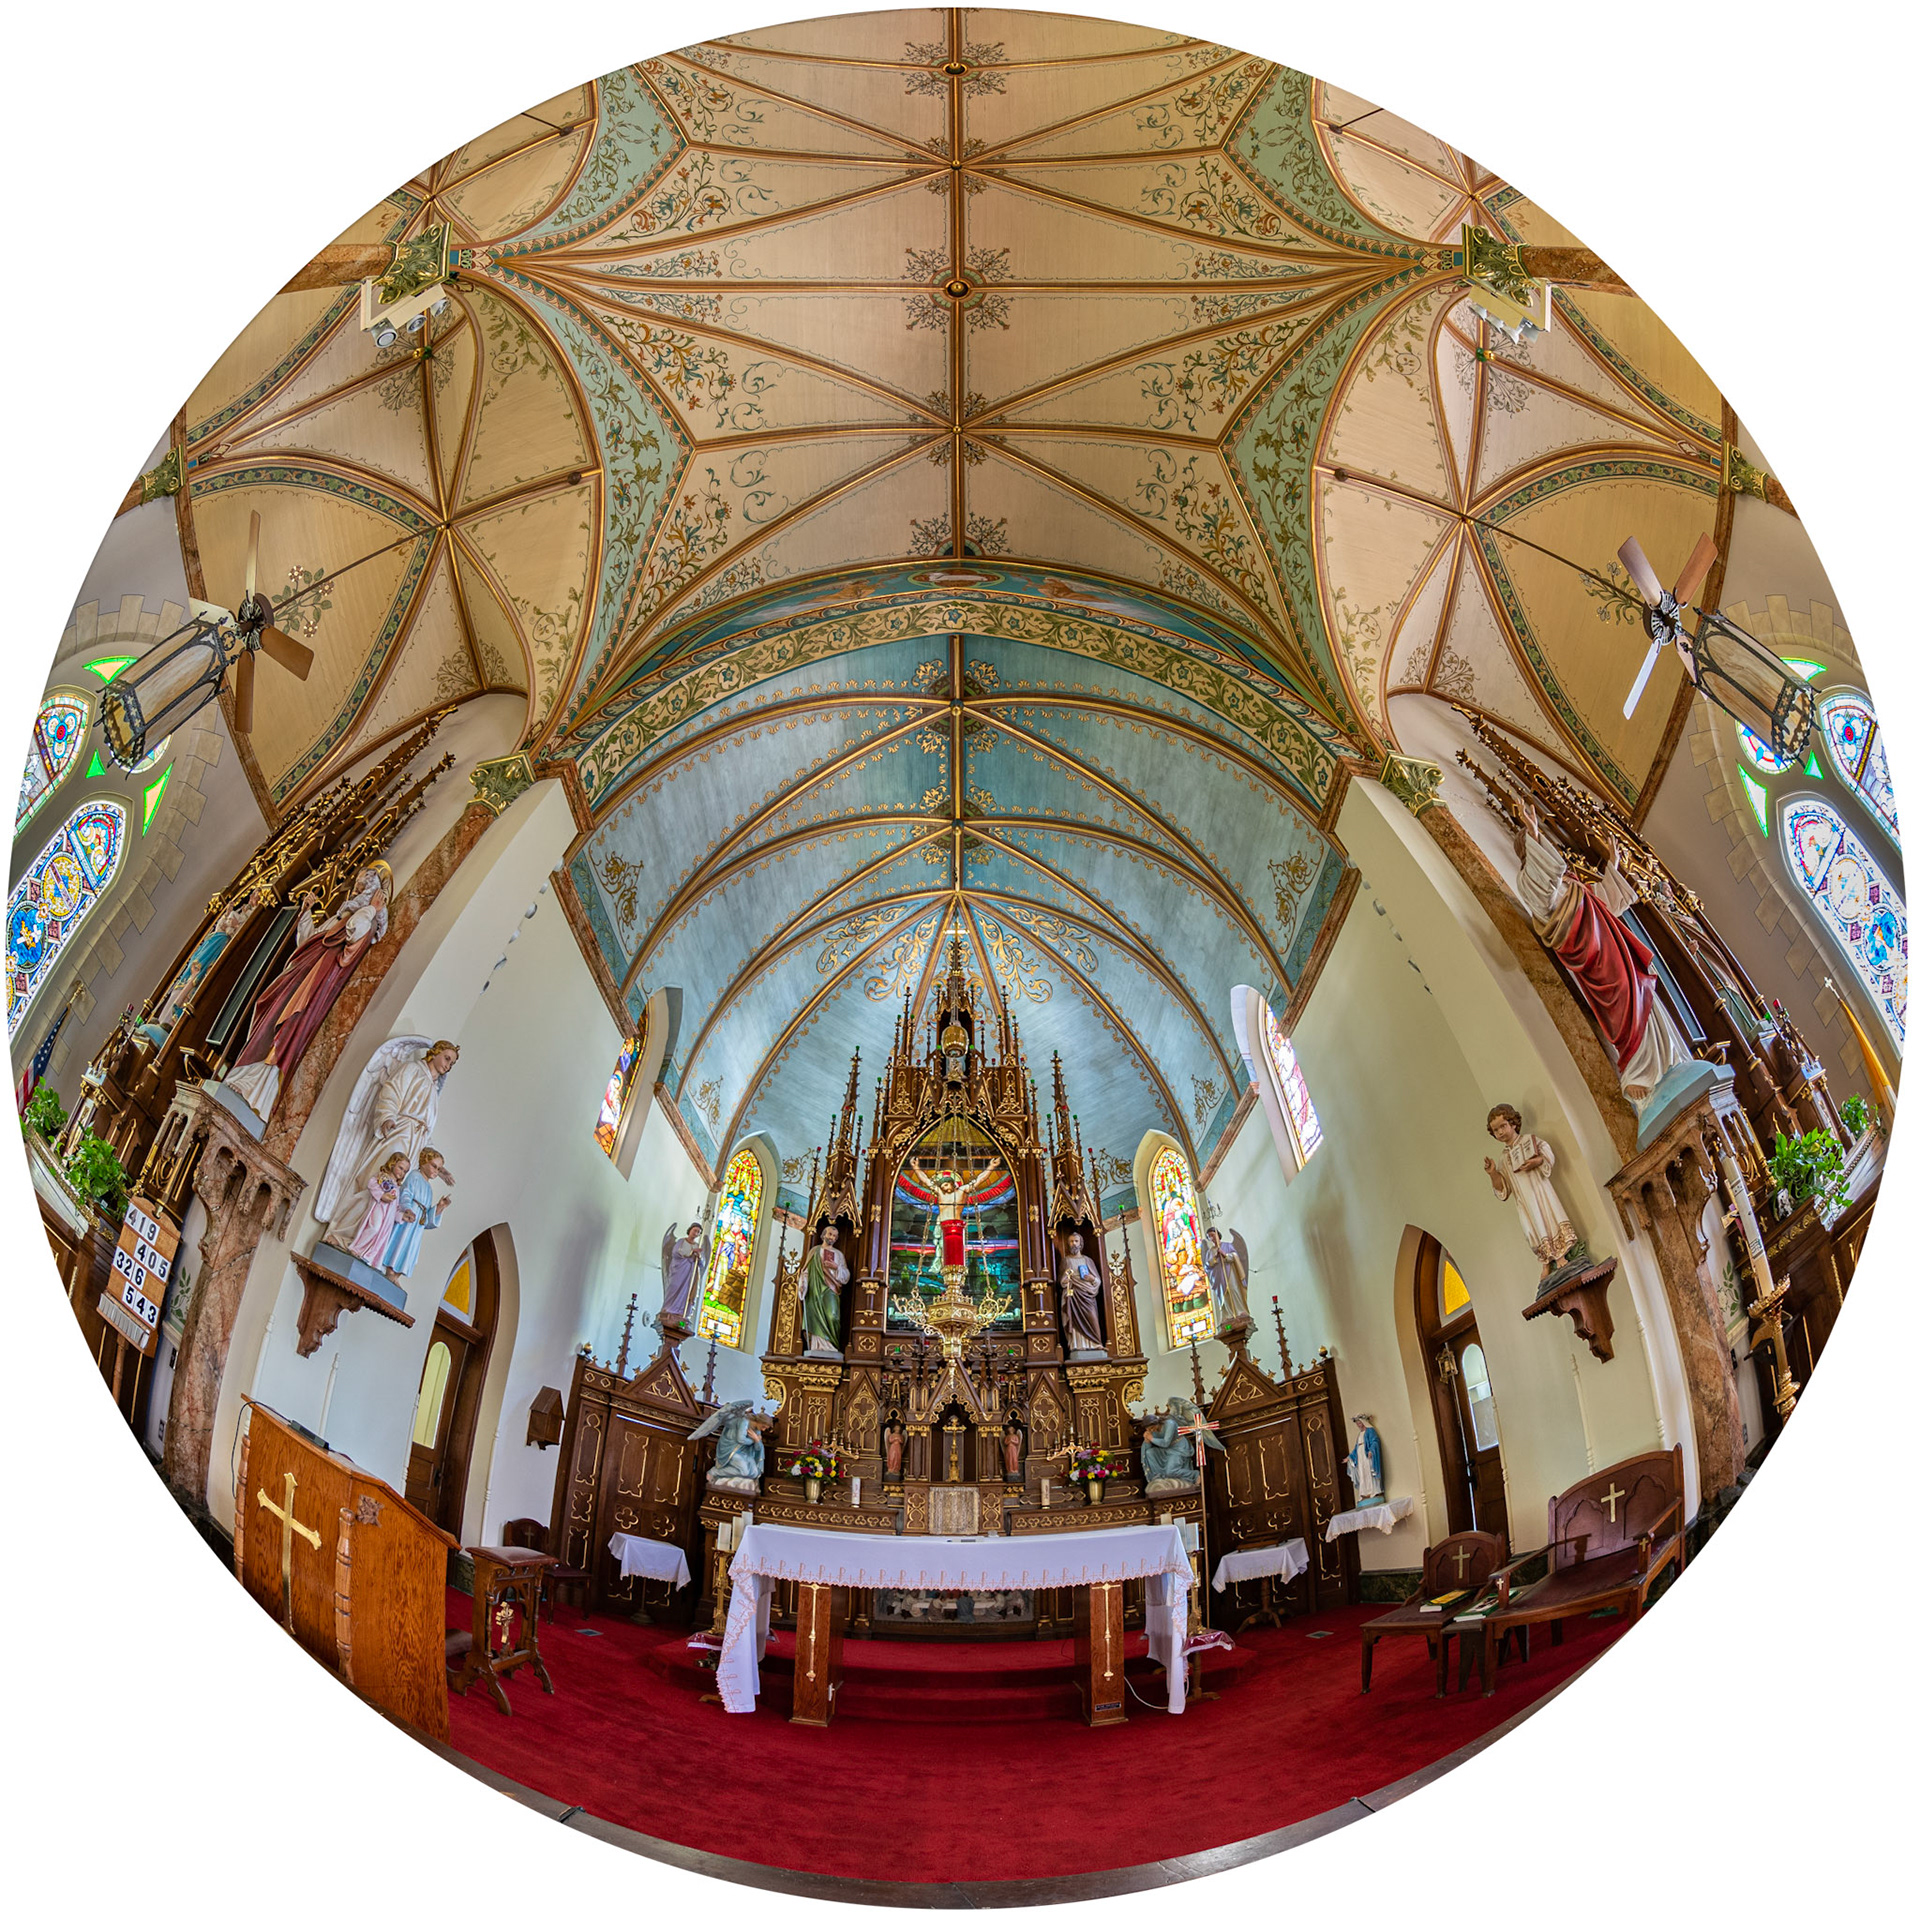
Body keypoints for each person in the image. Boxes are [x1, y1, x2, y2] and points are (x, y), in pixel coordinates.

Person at [1513, 803, 1688, 1113]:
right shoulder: (1531, 882)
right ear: (1530, 850)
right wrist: (1534, 832)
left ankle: (1670, 1060)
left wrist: (1614, 864)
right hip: (1593, 959)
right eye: (1538, 845)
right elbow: (1549, 893)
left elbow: (1605, 903)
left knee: (1644, 996)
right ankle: (1639, 1074)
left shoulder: (1570, 882)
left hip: (1613, 949)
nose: (1550, 851)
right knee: (1623, 1004)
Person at [223, 863, 392, 1122]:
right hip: (303, 971)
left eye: (360, 884)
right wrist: (306, 912)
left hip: (316, 982)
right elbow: (309, 939)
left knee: (289, 1023)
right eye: (356, 882)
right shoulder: (344, 914)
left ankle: (260, 1089)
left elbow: (353, 933)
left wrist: (373, 909)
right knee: (270, 1009)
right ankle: (247, 1069)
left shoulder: (364, 920)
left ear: (370, 890)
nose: (355, 887)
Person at [322, 1040, 461, 1254]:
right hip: (399, 1131)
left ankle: (365, 1246)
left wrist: (438, 1168)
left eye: (452, 1064)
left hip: (415, 1143)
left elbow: (426, 1130)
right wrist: (387, 1117)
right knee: (378, 1179)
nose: (448, 1066)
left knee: (394, 1193)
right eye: (447, 1058)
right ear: (435, 1053)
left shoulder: (434, 1090)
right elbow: (391, 1092)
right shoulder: (412, 1069)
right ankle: (342, 1234)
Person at [1484, 1103, 1581, 1277]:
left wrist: (1538, 1161)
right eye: (1496, 1130)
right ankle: (1545, 1261)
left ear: (1513, 1124)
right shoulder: (1503, 1158)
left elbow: (1547, 1154)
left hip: (1540, 1192)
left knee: (1548, 1218)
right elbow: (1503, 1189)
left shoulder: (1530, 1141)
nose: (1500, 1132)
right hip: (1524, 1201)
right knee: (1531, 1229)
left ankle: (1559, 1256)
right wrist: (1492, 1173)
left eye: (1503, 1126)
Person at [380, 1148, 455, 1282]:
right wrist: (407, 1209)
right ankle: (390, 1271)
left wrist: (439, 1207)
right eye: (434, 1166)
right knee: (400, 1242)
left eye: (439, 1169)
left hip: (416, 1226)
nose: (436, 1171)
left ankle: (396, 1276)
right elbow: (406, 1193)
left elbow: (425, 1218)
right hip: (408, 1220)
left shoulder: (429, 1188)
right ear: (424, 1162)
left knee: (410, 1249)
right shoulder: (415, 1176)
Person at [910, 1153, 997, 1268]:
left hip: (956, 1228)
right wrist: (916, 1167)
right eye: (942, 1186)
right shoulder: (940, 1193)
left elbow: (979, 1180)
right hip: (942, 1227)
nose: (944, 1188)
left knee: (955, 1257)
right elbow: (926, 1181)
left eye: (946, 1185)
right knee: (940, 1252)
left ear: (952, 1183)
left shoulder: (962, 1191)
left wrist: (991, 1167)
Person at [345, 1152, 410, 1271]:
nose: (402, 1172)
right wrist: (382, 1196)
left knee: (381, 1237)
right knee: (374, 1227)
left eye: (405, 1171)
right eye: (401, 1168)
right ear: (392, 1164)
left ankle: (369, 1256)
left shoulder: (397, 1188)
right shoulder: (383, 1177)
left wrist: (402, 1217)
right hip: (379, 1208)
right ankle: (357, 1249)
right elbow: (372, 1184)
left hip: (388, 1219)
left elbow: (395, 1209)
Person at [801, 1223, 849, 1353]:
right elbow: (806, 1271)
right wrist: (803, 1284)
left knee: (833, 1316)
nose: (832, 1237)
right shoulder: (814, 1251)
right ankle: (817, 1345)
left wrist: (836, 1267)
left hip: (831, 1289)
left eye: (834, 1236)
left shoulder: (838, 1255)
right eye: (830, 1234)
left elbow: (846, 1275)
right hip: (814, 1290)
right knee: (814, 1316)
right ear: (823, 1235)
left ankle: (830, 1345)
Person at [1056, 1232, 1106, 1353]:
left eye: (1076, 1241)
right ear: (1068, 1244)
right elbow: (1061, 1282)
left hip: (1087, 1295)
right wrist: (1066, 1279)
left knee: (1092, 1317)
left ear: (1081, 1243)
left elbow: (1098, 1281)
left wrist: (1091, 1279)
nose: (1074, 1244)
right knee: (1074, 1320)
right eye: (1071, 1241)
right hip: (1073, 1295)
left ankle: (1095, 1342)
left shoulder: (1087, 1260)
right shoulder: (1066, 1261)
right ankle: (1077, 1345)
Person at [659, 1221, 707, 1326]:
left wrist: (698, 1257)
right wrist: (691, 1253)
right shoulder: (681, 1241)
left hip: (689, 1274)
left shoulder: (697, 1245)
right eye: (695, 1230)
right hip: (678, 1270)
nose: (696, 1233)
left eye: (698, 1232)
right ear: (690, 1230)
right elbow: (675, 1253)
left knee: (686, 1292)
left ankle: (681, 1313)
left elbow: (702, 1263)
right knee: (674, 1287)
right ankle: (668, 1308)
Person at [1202, 1226, 1251, 1328]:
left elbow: (1235, 1257)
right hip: (1219, 1277)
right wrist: (1215, 1258)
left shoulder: (1227, 1246)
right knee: (1224, 1294)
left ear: (1217, 1234)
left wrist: (1225, 1255)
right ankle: (1228, 1315)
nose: (1211, 1238)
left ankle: (1239, 1311)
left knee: (1233, 1289)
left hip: (1230, 1273)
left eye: (1212, 1235)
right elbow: (1207, 1266)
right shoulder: (1210, 1252)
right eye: (1209, 1237)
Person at [1345, 1414, 1385, 1507]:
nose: (1359, 1425)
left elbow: (1375, 1441)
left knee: (1369, 1473)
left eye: (1360, 1422)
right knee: (1362, 1474)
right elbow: (1356, 1448)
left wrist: (1371, 1450)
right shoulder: (1360, 1434)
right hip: (1360, 1457)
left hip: (1367, 1456)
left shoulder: (1370, 1431)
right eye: (1357, 1423)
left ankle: (1374, 1491)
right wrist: (1349, 1457)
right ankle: (1365, 1493)